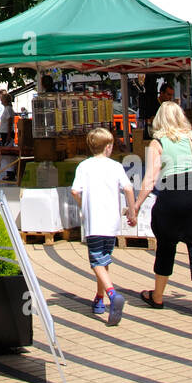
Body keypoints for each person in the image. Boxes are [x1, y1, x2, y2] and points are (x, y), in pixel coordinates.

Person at [133, 101, 192, 322]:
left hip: (170, 198)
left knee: (166, 248)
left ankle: (157, 296)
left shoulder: (157, 143)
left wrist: (137, 205)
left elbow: (150, 179)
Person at [70, 128, 136, 326]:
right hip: (111, 221)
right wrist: (132, 212)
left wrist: (83, 204)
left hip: (94, 221)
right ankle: (99, 298)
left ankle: (111, 293)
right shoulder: (115, 166)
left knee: (96, 261)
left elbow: (74, 191)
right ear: (108, 147)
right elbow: (128, 188)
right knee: (104, 258)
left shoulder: (84, 166)